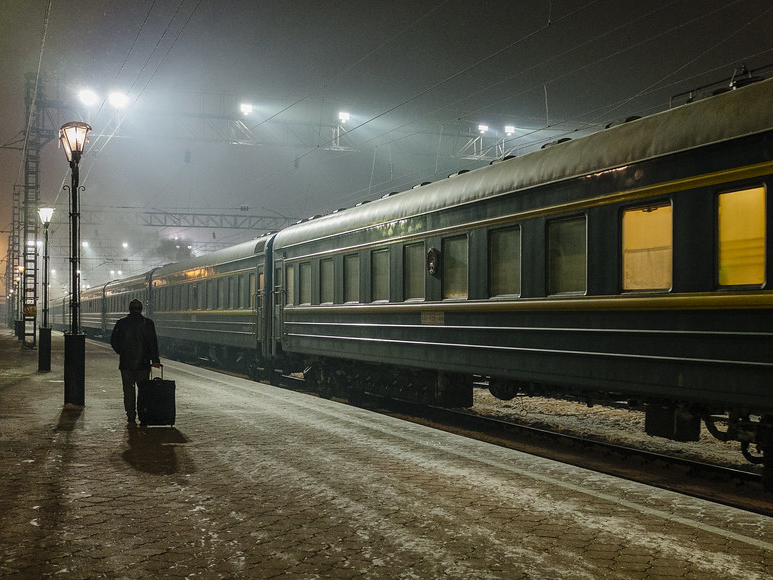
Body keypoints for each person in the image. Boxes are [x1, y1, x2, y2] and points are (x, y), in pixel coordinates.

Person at [110, 299, 162, 424]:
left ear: (129, 309)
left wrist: (121, 352)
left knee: (128, 390)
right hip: (143, 364)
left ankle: (131, 416)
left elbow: (113, 341)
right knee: (143, 391)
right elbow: (152, 344)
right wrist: (155, 360)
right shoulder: (148, 323)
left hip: (126, 364)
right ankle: (143, 416)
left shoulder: (121, 323)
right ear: (141, 309)